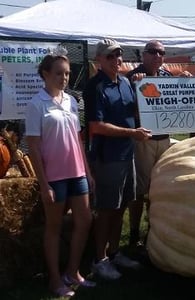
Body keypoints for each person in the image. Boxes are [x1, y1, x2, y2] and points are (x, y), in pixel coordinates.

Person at [25, 50, 95, 297]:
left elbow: (78, 139)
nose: (64, 78)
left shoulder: (72, 101)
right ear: (45, 74)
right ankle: (55, 280)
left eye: (67, 73)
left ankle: (72, 271)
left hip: (76, 174)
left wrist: (87, 172)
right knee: (53, 227)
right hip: (54, 177)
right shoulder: (36, 105)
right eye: (59, 73)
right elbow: (32, 146)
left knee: (84, 221)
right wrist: (44, 185)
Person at [82, 39, 151, 280]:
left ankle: (114, 252)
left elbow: (134, 111)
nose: (116, 60)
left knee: (121, 205)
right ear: (99, 60)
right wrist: (132, 133)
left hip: (127, 154)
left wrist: (144, 89)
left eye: (119, 55)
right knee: (106, 209)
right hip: (107, 157)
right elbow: (96, 126)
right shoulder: (94, 87)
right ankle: (99, 260)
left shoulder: (124, 82)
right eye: (110, 56)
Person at [125, 40, 177, 250]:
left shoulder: (167, 77)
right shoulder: (132, 78)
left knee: (160, 188)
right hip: (143, 140)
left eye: (161, 53)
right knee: (139, 190)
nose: (157, 56)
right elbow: (129, 112)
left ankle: (153, 231)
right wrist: (138, 88)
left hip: (164, 139)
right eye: (153, 52)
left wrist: (184, 83)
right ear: (144, 55)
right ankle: (134, 234)